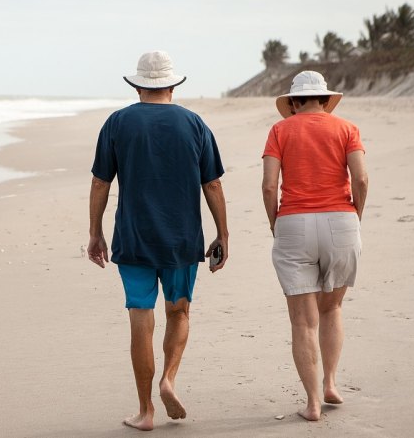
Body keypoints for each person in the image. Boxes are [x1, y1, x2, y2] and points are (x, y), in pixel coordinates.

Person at [88, 50, 228, 431]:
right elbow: (212, 183)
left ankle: (146, 410)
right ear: (172, 85)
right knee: (179, 312)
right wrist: (223, 234)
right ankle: (169, 378)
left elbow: (101, 181)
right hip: (182, 239)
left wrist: (95, 232)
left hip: (134, 238)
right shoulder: (194, 123)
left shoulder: (117, 123)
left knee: (140, 316)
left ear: (137, 86)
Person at [261, 70, 369, 421]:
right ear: (325, 99)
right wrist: (356, 215)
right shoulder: (346, 129)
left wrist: (276, 223)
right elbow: (362, 178)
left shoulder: (280, 130)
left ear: (293, 102)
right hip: (341, 220)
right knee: (331, 309)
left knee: (302, 322)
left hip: (294, 222)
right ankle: (331, 384)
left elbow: (268, 186)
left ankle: (311, 403)